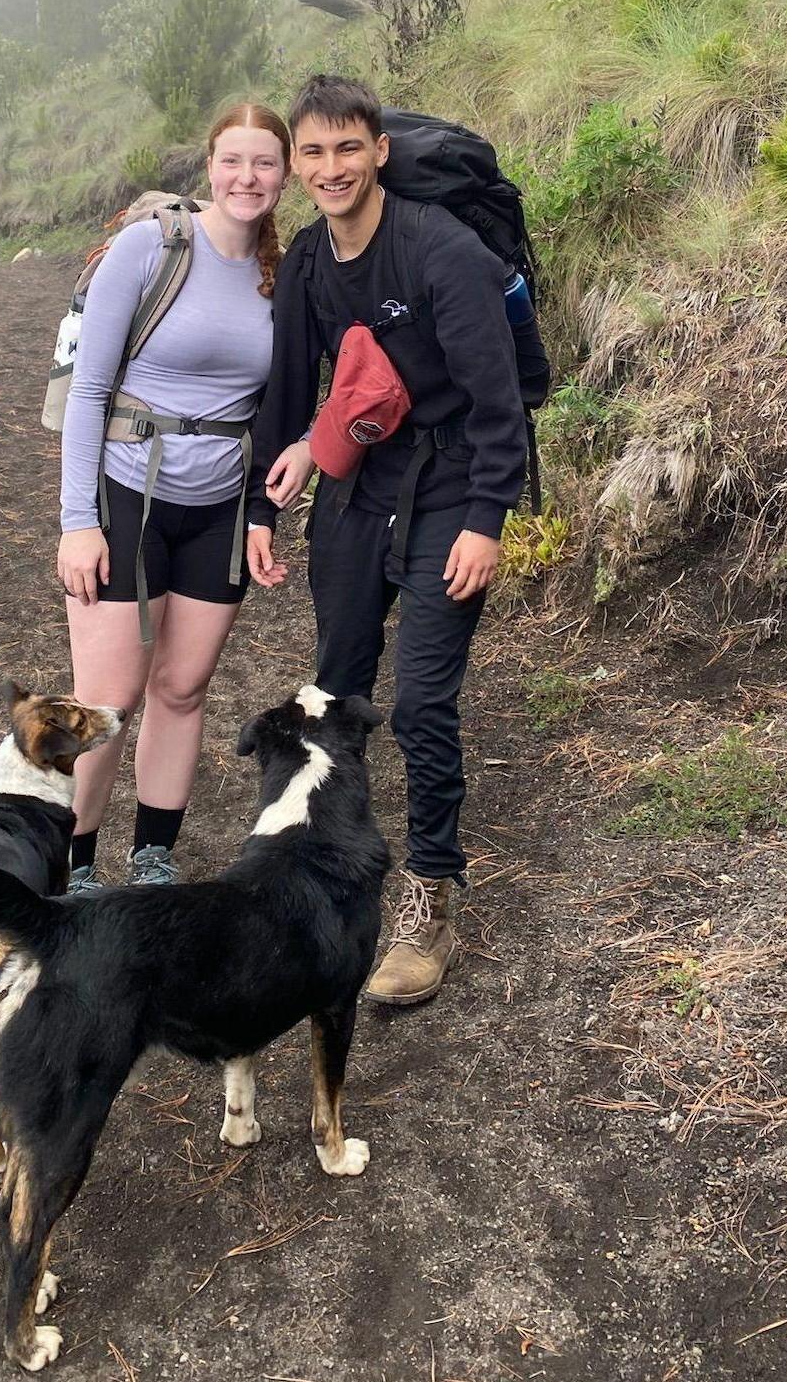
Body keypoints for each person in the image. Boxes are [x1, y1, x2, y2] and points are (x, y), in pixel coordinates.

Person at [245, 74, 527, 1005]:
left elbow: (496, 404)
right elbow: (291, 391)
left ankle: (431, 892)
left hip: (451, 479)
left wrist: (486, 520)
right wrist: (262, 503)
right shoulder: (310, 271)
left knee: (421, 701)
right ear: (298, 169)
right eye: (312, 154)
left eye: (346, 149)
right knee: (336, 686)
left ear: (379, 152)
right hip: (361, 485)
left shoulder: (440, 251)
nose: (330, 169)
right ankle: (335, 864)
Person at [57, 103, 289, 890]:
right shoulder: (149, 247)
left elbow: (280, 401)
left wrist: (264, 506)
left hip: (217, 506)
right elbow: (89, 390)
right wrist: (77, 522)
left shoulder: (282, 272)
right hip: (125, 492)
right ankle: (73, 866)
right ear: (209, 167)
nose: (247, 178)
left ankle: (153, 855)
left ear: (284, 176)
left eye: (264, 163)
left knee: (182, 689)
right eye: (233, 161)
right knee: (107, 697)